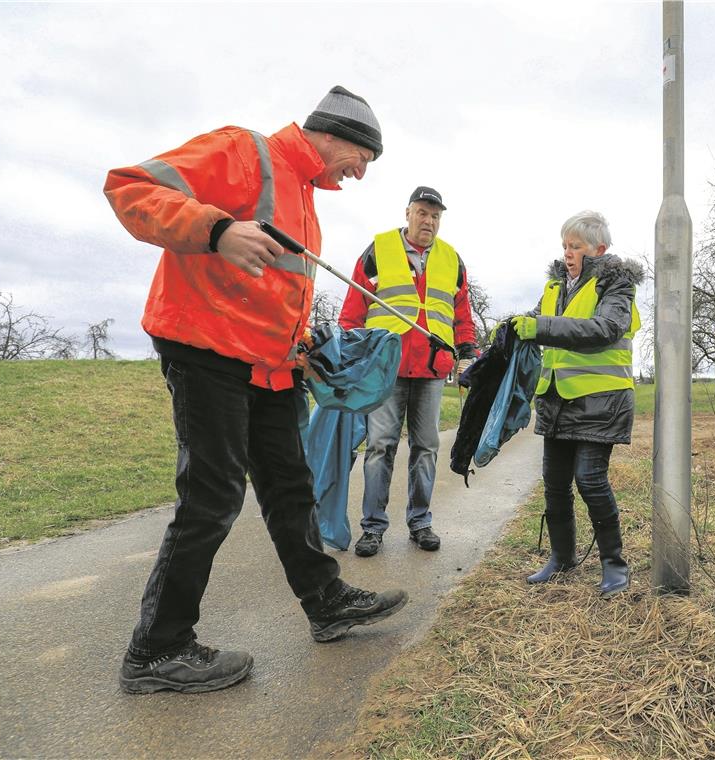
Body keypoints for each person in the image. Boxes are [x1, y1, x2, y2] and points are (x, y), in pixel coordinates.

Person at [103, 86, 408, 695]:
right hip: (206, 351)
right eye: (362, 159)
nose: (360, 174)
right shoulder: (243, 151)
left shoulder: (306, 197)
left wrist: (302, 350)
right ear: (336, 137)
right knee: (212, 497)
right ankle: (157, 650)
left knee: (291, 488)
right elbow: (129, 187)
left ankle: (325, 602)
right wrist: (217, 230)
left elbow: (272, 290)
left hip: (271, 369)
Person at [339, 186, 477, 557]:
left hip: (433, 370)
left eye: (435, 215)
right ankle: (373, 528)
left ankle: (420, 522)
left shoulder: (452, 259)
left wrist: (467, 351)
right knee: (380, 446)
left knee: (426, 447)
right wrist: (351, 356)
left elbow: (461, 315)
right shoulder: (378, 251)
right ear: (408, 213)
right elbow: (353, 309)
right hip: (386, 368)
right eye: (422, 213)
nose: (428, 221)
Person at [514, 210, 643, 599]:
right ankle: (562, 558)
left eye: (576, 247)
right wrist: (513, 327)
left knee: (590, 479)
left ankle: (614, 565)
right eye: (565, 246)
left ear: (599, 249)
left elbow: (606, 329)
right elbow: (536, 321)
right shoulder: (555, 286)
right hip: (557, 400)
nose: (568, 253)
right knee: (555, 485)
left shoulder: (617, 286)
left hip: (601, 403)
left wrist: (541, 328)